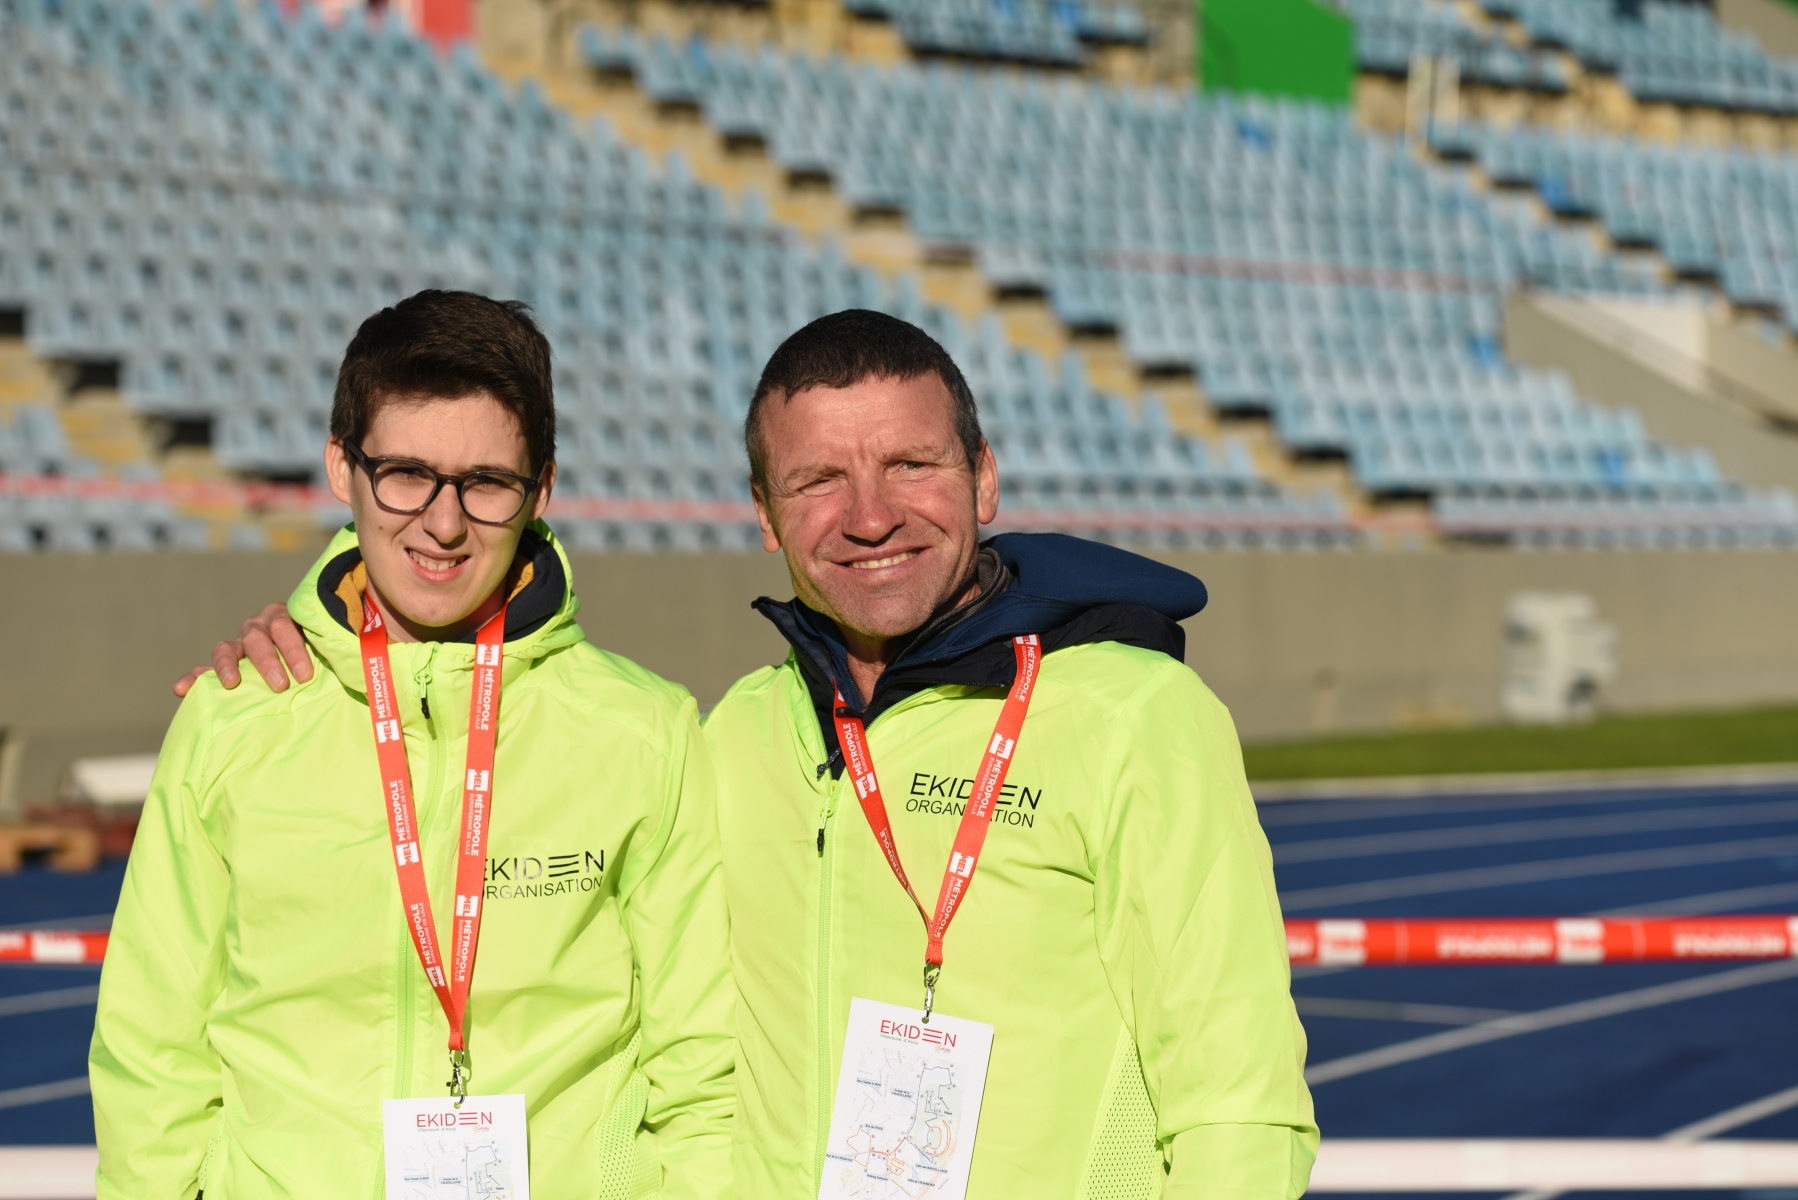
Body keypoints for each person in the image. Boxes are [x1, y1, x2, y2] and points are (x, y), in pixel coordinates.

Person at [188, 309, 1317, 1200]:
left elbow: (1237, 1095)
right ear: (765, 514)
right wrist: (320, 649)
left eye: (910, 465)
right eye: (818, 480)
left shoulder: (1137, 716)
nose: (869, 516)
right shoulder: (731, 734)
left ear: (983, 476)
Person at [103, 290, 734, 1200]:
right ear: (342, 467)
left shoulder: (645, 729)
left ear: (541, 489)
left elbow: (703, 1065)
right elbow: (151, 1045)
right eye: (405, 473)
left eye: (488, 482)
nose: (444, 523)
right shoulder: (234, 715)